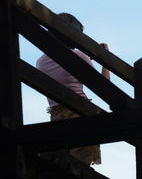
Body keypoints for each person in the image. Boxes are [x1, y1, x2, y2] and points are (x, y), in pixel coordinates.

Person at [36, 12, 110, 165]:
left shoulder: (40, 62)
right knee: (81, 166)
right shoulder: (79, 56)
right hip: (81, 114)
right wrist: (105, 58)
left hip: (56, 118)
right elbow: (105, 86)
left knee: (62, 167)